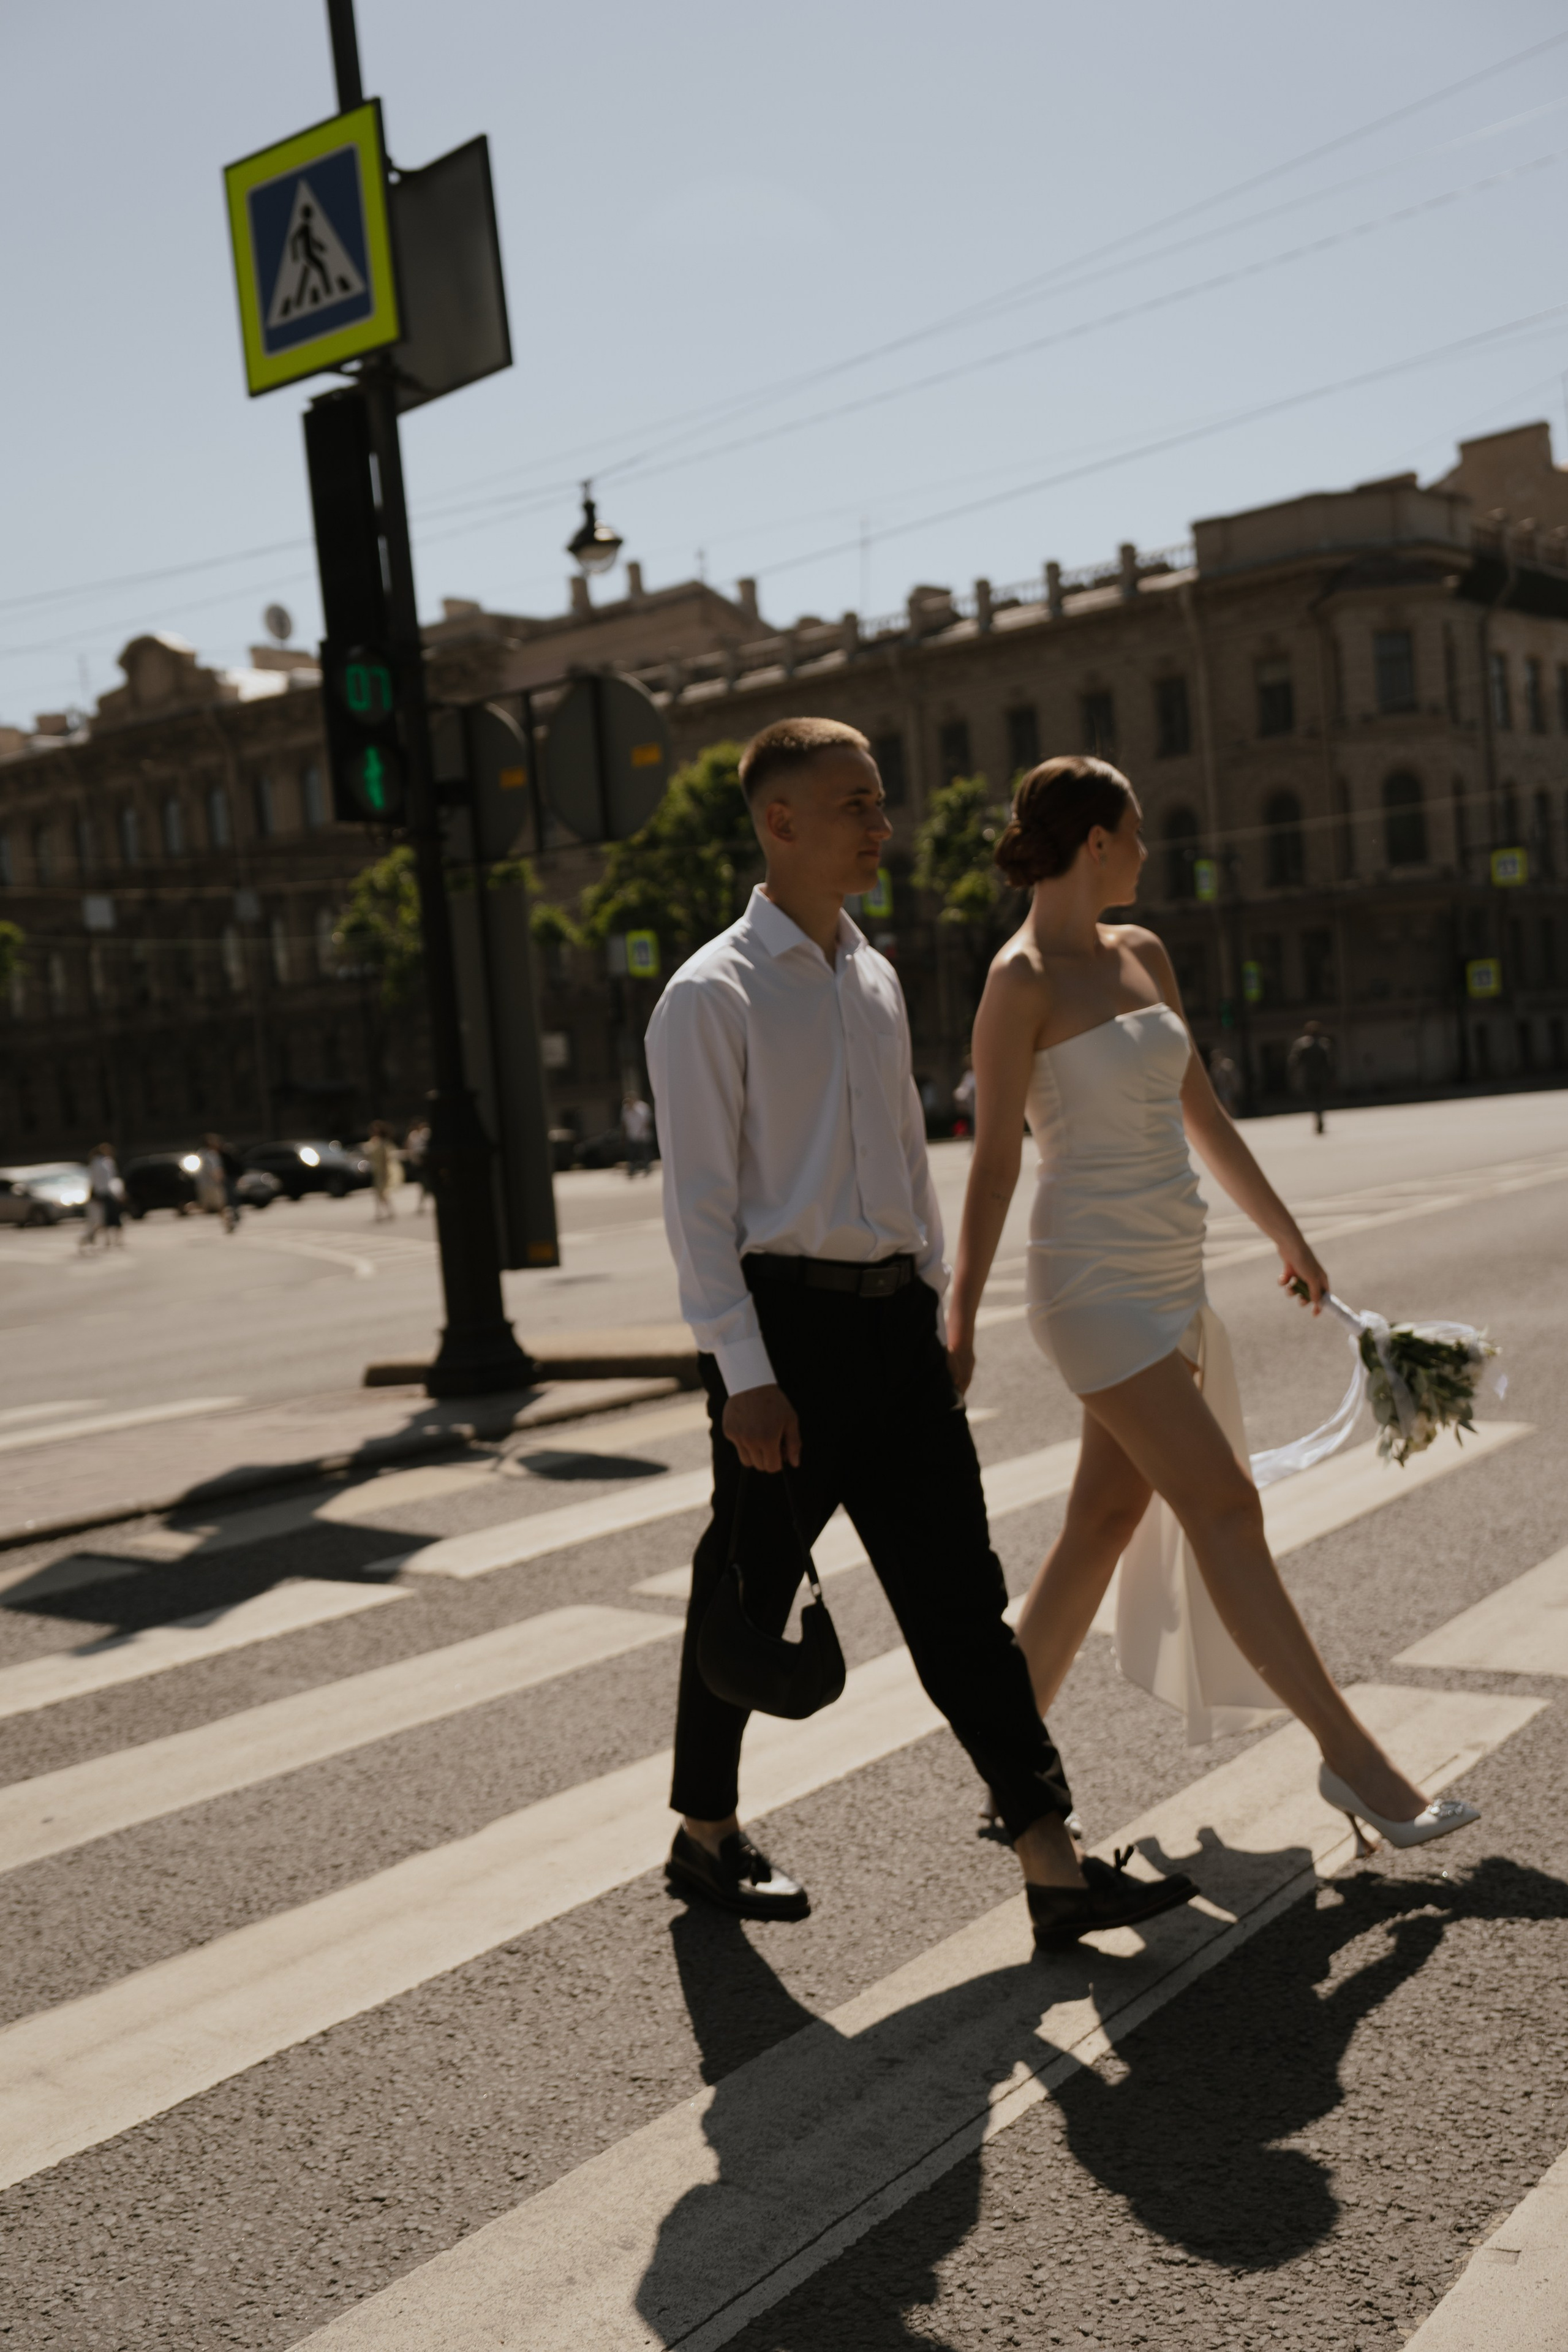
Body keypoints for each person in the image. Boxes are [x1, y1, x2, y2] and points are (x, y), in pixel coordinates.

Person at [645, 717, 1196, 1949]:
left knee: (959, 1599)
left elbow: (905, 1151)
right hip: (781, 1337)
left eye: (879, 802)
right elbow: (696, 1211)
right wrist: (743, 1376)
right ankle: (705, 1837)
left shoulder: (873, 976)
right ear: (778, 821)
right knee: (749, 1591)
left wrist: (941, 1303)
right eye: (854, 805)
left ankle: (1050, 1861)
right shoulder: (708, 995)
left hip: (893, 1324)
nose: (878, 826)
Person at [948, 756, 1479, 1854]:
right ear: (1094, 840)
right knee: (1227, 1506)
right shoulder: (1021, 980)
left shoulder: (1142, 955)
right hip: (1088, 1285)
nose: (1149, 851)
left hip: (1170, 1273)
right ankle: (1358, 1763)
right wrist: (958, 1317)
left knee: (1101, 1522)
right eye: (1137, 831)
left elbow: (1204, 1112)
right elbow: (994, 1162)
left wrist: (1288, 1235)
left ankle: (1013, 1762)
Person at [1289, 1019, 1334, 1135]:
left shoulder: (1302, 1044)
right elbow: (1329, 1063)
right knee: (1319, 1100)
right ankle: (1319, 1116)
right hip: (1320, 1077)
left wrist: (1293, 1076)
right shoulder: (1324, 1044)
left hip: (1309, 1077)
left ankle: (1318, 1116)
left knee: (1314, 1100)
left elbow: (1294, 1062)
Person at [81, 1141, 124, 1250]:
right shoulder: (96, 1163)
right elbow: (94, 1180)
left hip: (110, 1193)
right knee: (103, 1219)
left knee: (114, 1217)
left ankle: (116, 1239)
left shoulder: (108, 1162)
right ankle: (101, 1239)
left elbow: (113, 1179)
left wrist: (119, 1192)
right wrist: (95, 1194)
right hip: (101, 1193)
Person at [366, 1120, 398, 1220]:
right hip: (377, 1169)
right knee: (378, 1192)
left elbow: (385, 1158)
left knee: (383, 1192)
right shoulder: (374, 1141)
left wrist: (385, 1171)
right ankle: (380, 1211)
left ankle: (388, 1211)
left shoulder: (383, 1143)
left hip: (382, 1170)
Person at [622, 1092, 655, 1178]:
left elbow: (647, 1121)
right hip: (632, 1135)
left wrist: (642, 1131)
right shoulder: (625, 1109)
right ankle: (633, 1169)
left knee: (645, 1153)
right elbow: (625, 1122)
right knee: (632, 1154)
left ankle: (647, 1168)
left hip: (643, 1135)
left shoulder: (642, 1107)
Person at [404, 1117, 433, 1213]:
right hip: (421, 1163)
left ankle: (422, 1204)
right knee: (425, 1184)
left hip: (421, 1163)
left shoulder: (421, 1134)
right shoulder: (416, 1136)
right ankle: (422, 1204)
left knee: (425, 1184)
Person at [1207, 1047, 1242, 1117]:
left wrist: (1236, 1087)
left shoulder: (1227, 1063)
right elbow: (1213, 1078)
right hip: (1220, 1088)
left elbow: (1233, 1076)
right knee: (1223, 1104)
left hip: (1228, 1087)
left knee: (1229, 1103)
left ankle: (1233, 1116)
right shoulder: (1214, 1066)